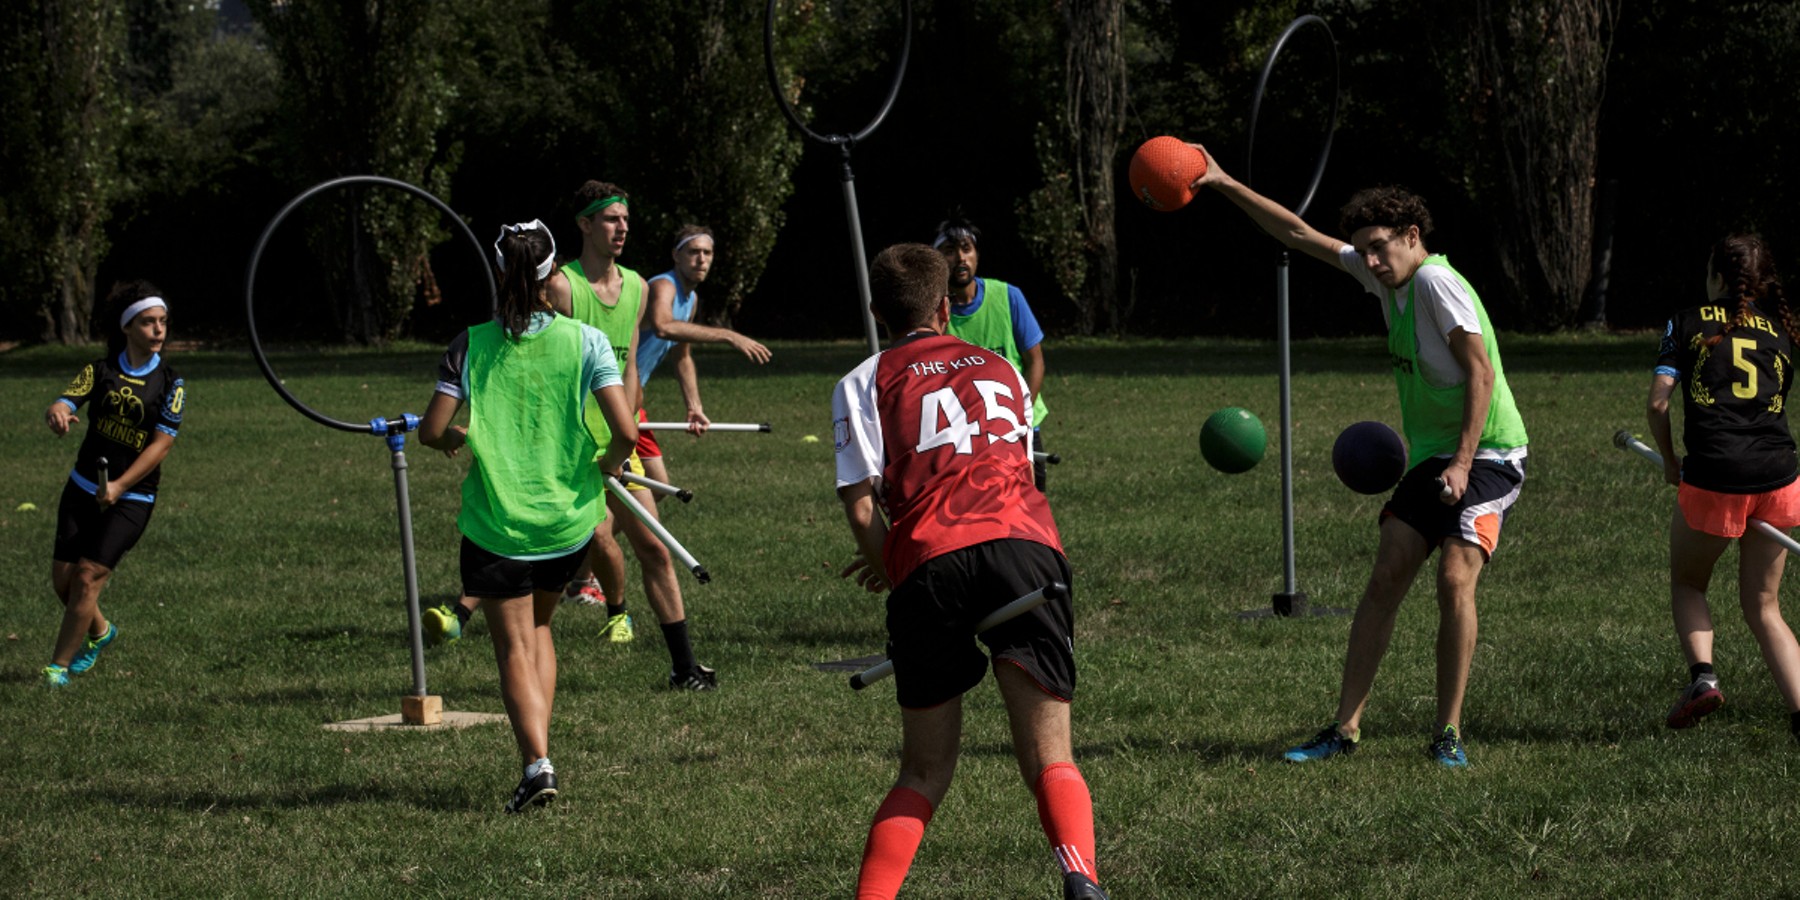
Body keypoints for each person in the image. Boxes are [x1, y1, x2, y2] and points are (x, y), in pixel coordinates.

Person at [1192, 146, 1529, 768]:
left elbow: (1480, 374)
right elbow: (1297, 233)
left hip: (1489, 452)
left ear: (1411, 235)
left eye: (1380, 246)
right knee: (1386, 576)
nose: (1371, 261)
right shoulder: (1387, 277)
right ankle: (1344, 729)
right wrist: (1221, 182)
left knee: (1455, 577)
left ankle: (1448, 732)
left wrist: (1461, 463)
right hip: (1435, 456)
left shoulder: (1434, 281)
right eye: (1364, 251)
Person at [833, 243, 1106, 900]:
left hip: (930, 559)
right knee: (1051, 756)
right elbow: (1015, 465)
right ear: (946, 305)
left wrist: (896, 561)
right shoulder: (1004, 369)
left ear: (875, 311)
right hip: (1026, 551)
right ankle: (1081, 877)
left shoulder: (862, 379)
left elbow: (863, 507)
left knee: (923, 772)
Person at [419, 220, 637, 812]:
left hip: (498, 525)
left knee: (515, 646)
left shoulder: (470, 343)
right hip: (567, 524)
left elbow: (432, 430)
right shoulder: (586, 340)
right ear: (553, 273)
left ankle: (536, 765)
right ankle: (541, 755)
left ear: (499, 271)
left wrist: (451, 439)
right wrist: (608, 467)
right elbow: (626, 431)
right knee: (539, 631)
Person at [552, 181, 716, 689]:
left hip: (619, 445)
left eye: (625, 219)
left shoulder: (639, 288)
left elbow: (628, 368)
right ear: (583, 224)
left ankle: (684, 667)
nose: (622, 227)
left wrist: (626, 432)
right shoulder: (561, 286)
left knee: (656, 547)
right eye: (609, 219)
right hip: (567, 447)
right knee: (572, 546)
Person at [1646, 233, 1800, 737]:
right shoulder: (1781, 329)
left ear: (1715, 275)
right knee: (1764, 605)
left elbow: (1658, 404)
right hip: (1780, 478)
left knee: (1689, 581)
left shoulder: (1687, 320)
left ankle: (1703, 678)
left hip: (1714, 476)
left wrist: (1671, 461)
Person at [41, 281, 185, 688]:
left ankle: (57, 669)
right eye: (147, 323)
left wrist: (120, 485)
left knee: (87, 577)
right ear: (127, 327)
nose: (158, 330)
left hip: (132, 496)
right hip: (82, 486)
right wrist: (57, 413)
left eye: (162, 322)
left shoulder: (172, 385)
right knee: (65, 583)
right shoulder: (99, 369)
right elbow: (66, 401)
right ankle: (101, 633)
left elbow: (161, 446)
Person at [637, 224, 773, 488]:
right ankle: (599, 530)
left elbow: (682, 356)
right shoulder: (664, 285)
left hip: (631, 399)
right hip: (609, 395)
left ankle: (600, 531)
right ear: (676, 256)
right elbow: (663, 326)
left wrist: (694, 407)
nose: (701, 260)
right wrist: (728, 335)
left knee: (656, 486)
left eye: (707, 253)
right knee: (649, 485)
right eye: (694, 252)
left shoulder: (691, 299)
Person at [934, 214, 1053, 491]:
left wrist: (1019, 418)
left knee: (1031, 511)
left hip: (1019, 427)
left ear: (976, 253)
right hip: (963, 435)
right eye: (950, 251)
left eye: (966, 249)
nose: (960, 258)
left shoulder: (1008, 296)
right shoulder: (934, 313)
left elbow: (1035, 362)